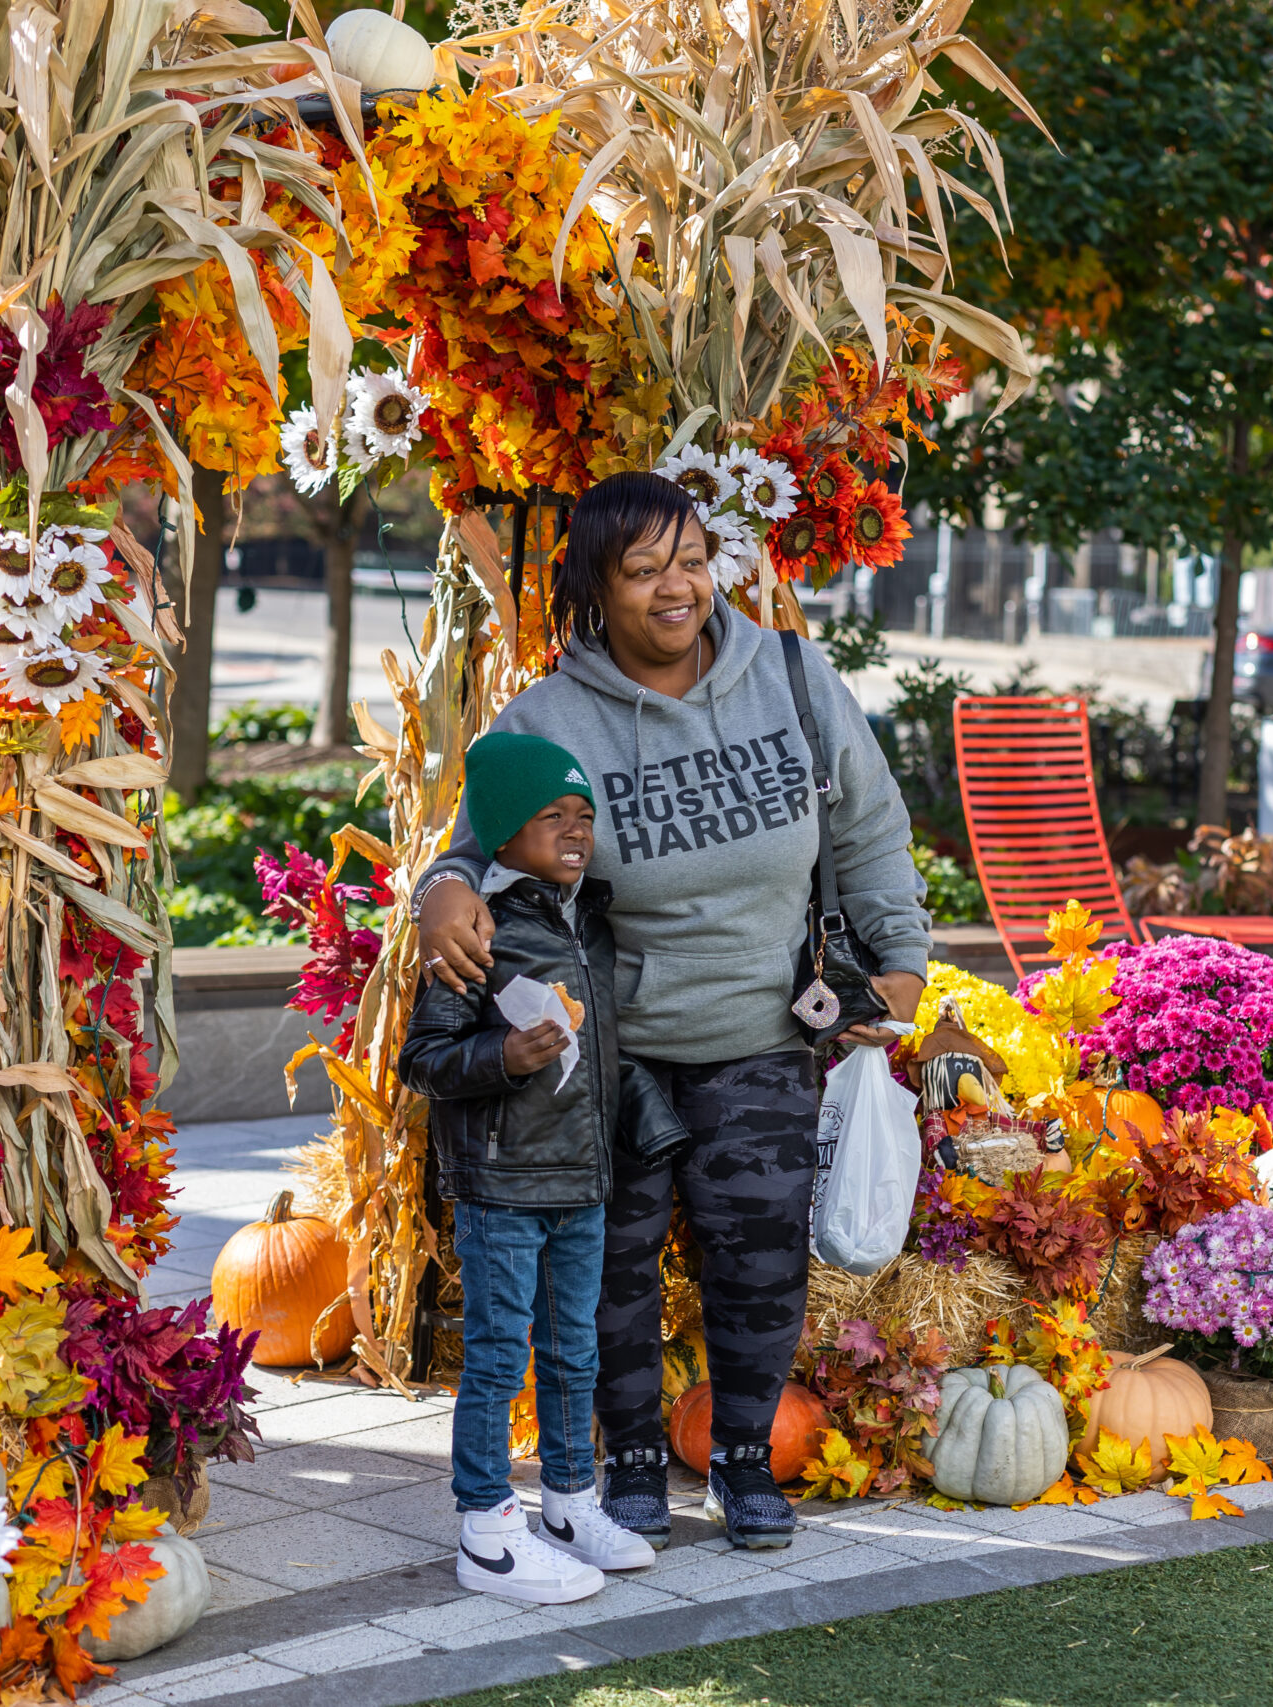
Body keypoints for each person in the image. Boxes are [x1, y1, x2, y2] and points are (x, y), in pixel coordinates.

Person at [412, 472, 928, 1552]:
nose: (674, 587)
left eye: (689, 560)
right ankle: (632, 1459)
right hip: (614, 1059)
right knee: (610, 1273)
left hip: (764, 1033)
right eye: (642, 570)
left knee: (759, 1262)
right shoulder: (551, 717)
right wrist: (442, 890)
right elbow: (472, 849)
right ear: (597, 590)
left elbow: (872, 828)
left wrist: (904, 969)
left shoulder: (787, 676)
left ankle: (745, 1461)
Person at [398, 731, 656, 1603]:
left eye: (584, 815)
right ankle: (486, 1528)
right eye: (553, 815)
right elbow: (426, 1058)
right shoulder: (479, 924)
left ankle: (569, 1501)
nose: (576, 830)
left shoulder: (588, 918)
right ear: (502, 832)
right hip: (504, 1184)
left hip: (580, 1180)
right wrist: (504, 1054)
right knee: (500, 1354)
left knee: (574, 1350)